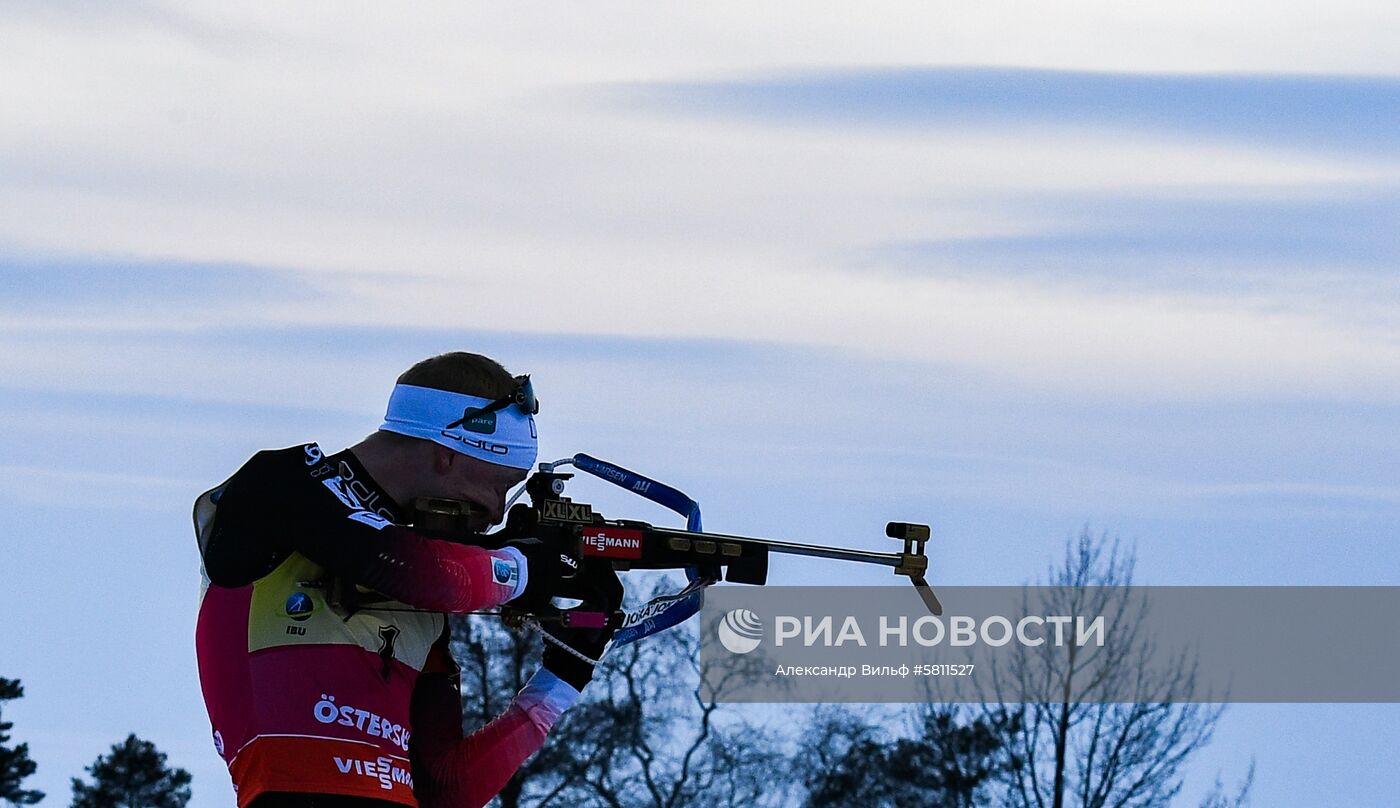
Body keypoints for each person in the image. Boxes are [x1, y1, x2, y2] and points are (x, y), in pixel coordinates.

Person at [193, 352, 609, 808]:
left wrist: (566, 672)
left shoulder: (421, 590)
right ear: (449, 455)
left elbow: (447, 790)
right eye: (499, 486)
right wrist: (526, 567)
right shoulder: (281, 483)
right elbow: (401, 563)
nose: (495, 514)